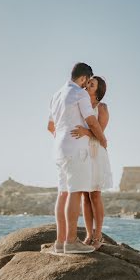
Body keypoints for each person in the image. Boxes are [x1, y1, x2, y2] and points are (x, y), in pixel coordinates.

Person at [48, 63, 107, 254]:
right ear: (83, 78)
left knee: (62, 193)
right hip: (76, 149)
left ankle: (60, 242)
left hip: (59, 149)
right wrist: (103, 140)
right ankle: (71, 241)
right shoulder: (79, 93)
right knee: (75, 192)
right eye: (86, 82)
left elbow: (50, 126)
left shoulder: (56, 94)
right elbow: (91, 121)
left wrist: (62, 136)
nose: (86, 85)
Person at [71, 76, 113, 249]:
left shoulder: (102, 107)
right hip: (81, 153)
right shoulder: (80, 104)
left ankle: (98, 235)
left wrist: (85, 132)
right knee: (84, 195)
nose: (88, 85)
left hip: (96, 152)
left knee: (95, 194)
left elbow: (100, 132)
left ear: (98, 89)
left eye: (92, 84)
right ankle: (88, 234)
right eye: (88, 83)